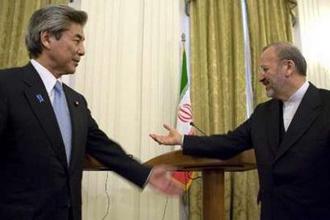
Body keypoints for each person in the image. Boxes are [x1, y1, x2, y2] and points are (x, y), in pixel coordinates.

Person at [0, 5, 182, 220]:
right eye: (76, 40)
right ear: (47, 39)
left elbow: (103, 148)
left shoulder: (75, 101)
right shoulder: (7, 85)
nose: (82, 50)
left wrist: (146, 174)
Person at [150, 42, 330, 220]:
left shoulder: (326, 105)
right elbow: (229, 142)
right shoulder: (263, 113)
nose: (260, 77)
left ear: (288, 67)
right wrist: (182, 139)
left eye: (265, 69)